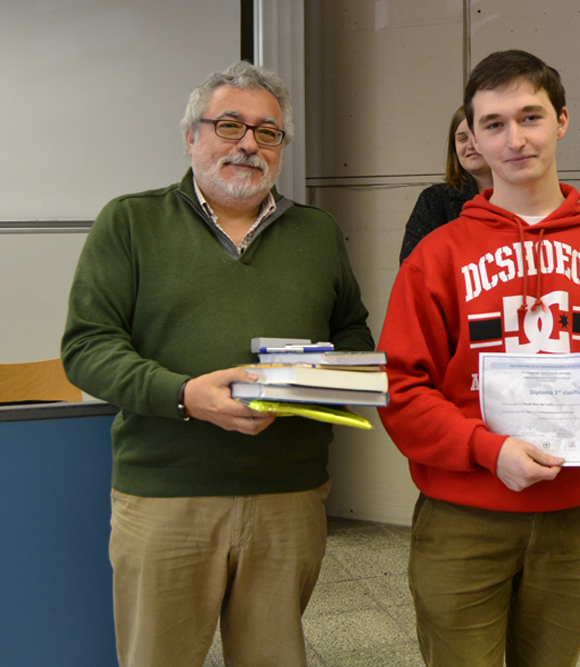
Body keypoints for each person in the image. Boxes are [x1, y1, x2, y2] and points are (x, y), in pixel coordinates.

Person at [61, 61, 374, 667]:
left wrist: (312, 382)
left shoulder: (318, 233)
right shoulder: (129, 222)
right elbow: (87, 347)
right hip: (166, 497)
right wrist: (183, 396)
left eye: (268, 132)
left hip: (289, 496)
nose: (248, 144)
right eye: (229, 126)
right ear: (191, 136)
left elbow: (351, 332)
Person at [377, 50, 580, 667]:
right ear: (472, 140)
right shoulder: (436, 255)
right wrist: (488, 450)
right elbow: (400, 388)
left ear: (561, 120)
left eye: (530, 117)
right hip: (464, 516)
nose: (515, 139)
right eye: (494, 123)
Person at [399, 105, 493, 262]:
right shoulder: (434, 201)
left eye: (477, 137)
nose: (470, 145)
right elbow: (413, 270)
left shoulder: (526, 197)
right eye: (462, 139)